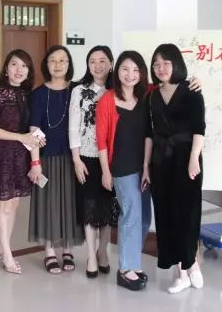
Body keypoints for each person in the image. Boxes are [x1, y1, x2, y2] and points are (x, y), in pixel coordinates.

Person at [149, 43, 206, 294]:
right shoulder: (152, 95)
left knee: (188, 214)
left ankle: (191, 262)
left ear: (176, 64)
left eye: (166, 63)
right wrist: (147, 166)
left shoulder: (191, 90)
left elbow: (199, 128)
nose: (161, 68)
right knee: (167, 215)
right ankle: (181, 273)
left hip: (186, 160)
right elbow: (149, 132)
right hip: (161, 161)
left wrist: (194, 158)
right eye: (156, 64)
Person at [96, 51, 153, 291]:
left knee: (145, 217)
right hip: (121, 167)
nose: (130, 75)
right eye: (125, 69)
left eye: (136, 70)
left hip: (145, 167)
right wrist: (105, 171)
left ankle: (133, 262)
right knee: (131, 214)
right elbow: (101, 141)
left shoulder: (148, 95)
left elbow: (171, 85)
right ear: (117, 70)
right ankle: (125, 269)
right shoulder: (107, 100)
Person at [0, 49, 43, 275]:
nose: (19, 70)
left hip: (22, 155)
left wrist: (35, 155)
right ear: (6, 69)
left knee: (14, 204)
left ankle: (2, 249)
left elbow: (33, 130)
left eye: (24, 66)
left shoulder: (30, 96)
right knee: (4, 205)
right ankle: (7, 254)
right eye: (14, 64)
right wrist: (20, 137)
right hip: (3, 154)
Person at [28, 45, 84, 274]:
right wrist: (35, 163)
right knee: (48, 203)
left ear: (69, 64)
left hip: (73, 157)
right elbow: (34, 129)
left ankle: (68, 250)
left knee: (71, 203)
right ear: (46, 65)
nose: (58, 65)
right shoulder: (38, 94)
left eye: (63, 60)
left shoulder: (78, 91)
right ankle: (50, 252)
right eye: (53, 60)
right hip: (47, 157)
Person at [68, 45, 118, 278]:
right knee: (89, 207)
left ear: (111, 64)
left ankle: (103, 251)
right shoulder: (79, 90)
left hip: (112, 158)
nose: (97, 66)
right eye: (92, 61)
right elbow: (73, 127)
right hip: (87, 157)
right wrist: (76, 159)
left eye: (102, 60)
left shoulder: (118, 90)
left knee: (107, 208)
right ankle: (90, 255)